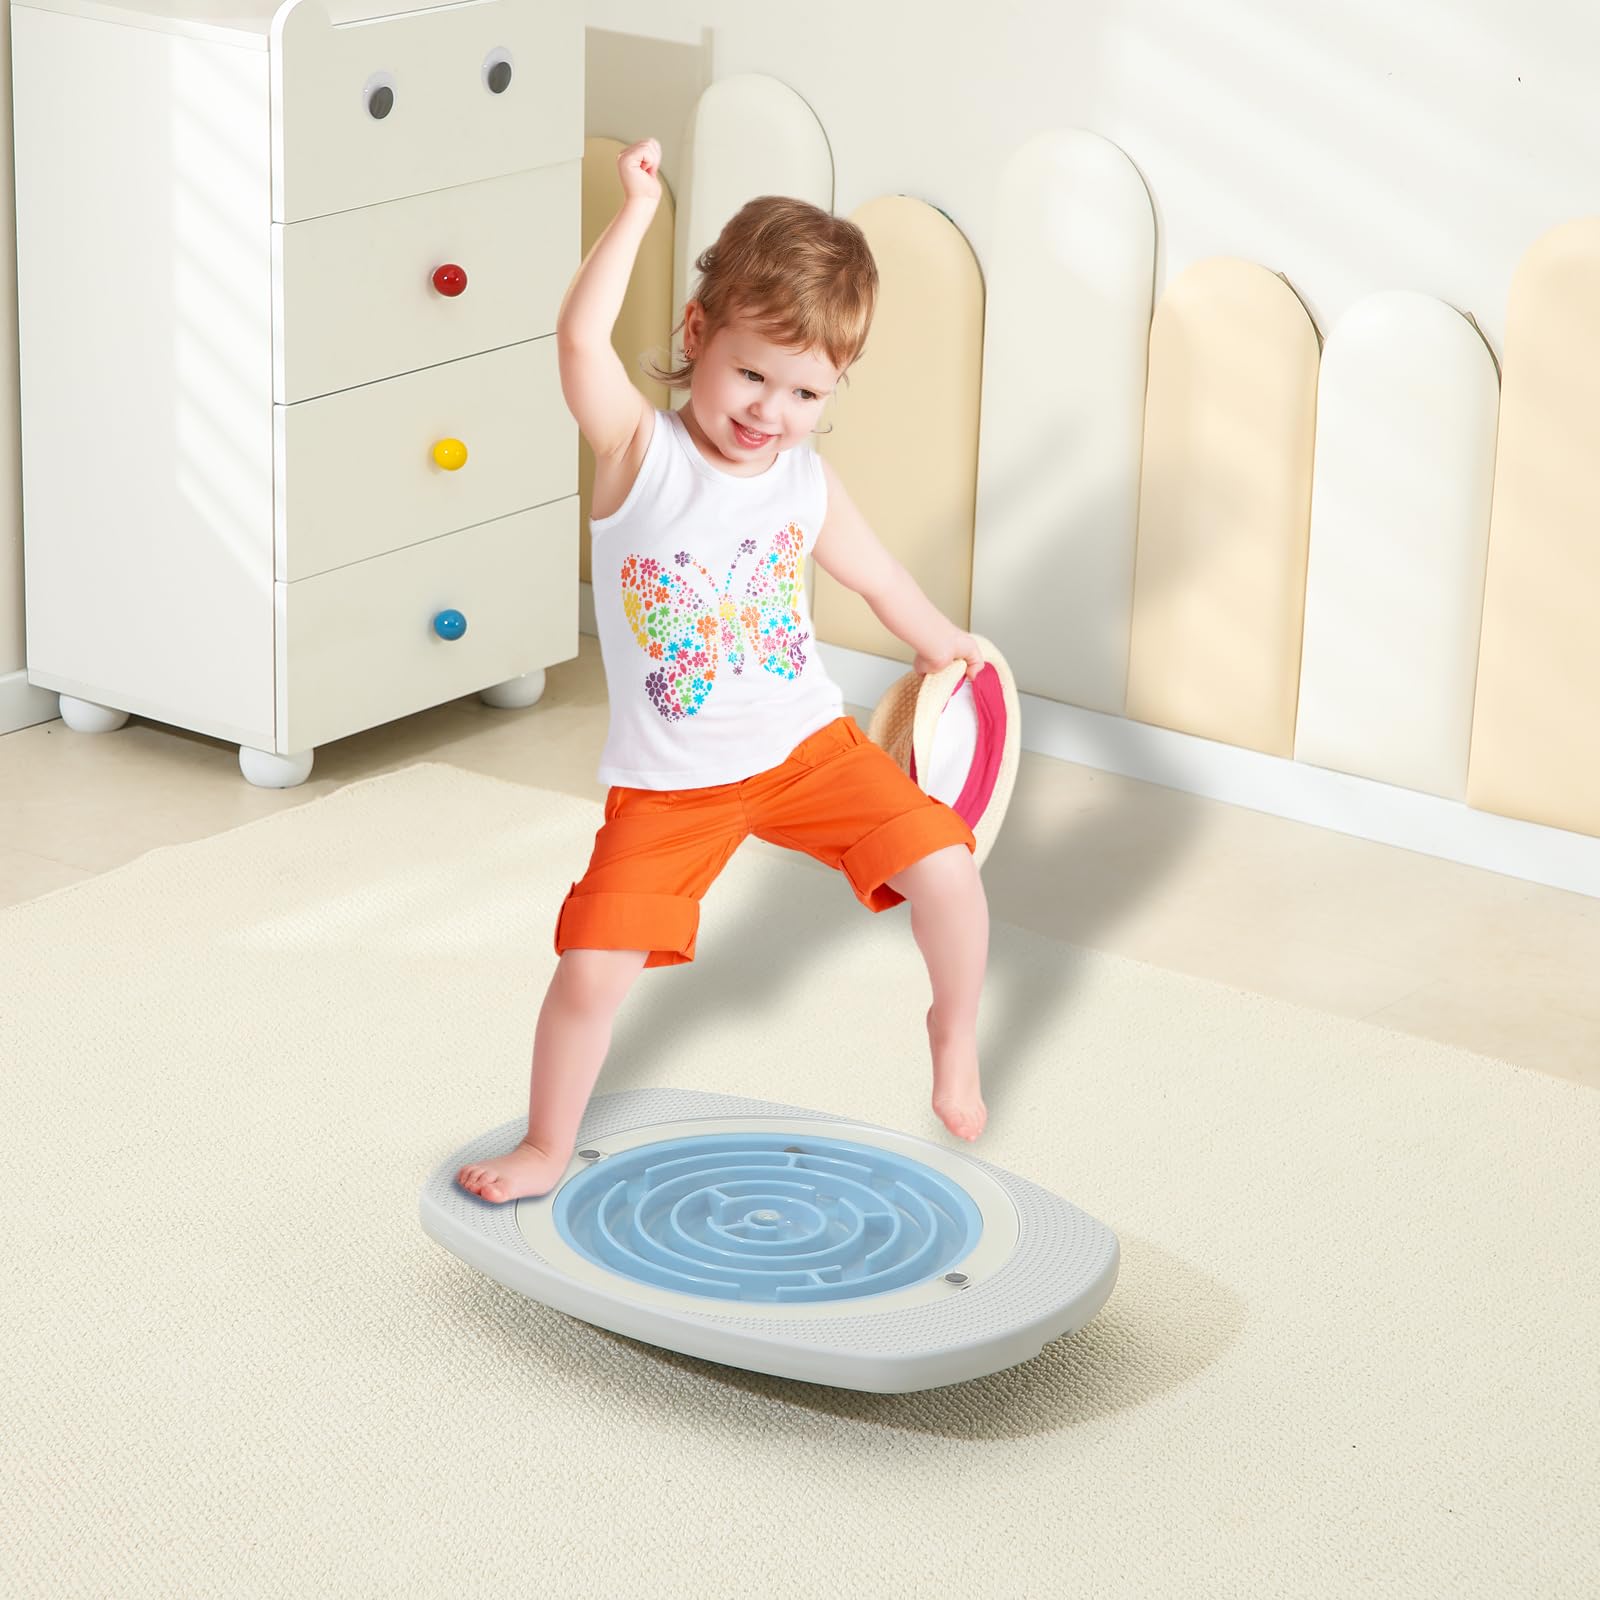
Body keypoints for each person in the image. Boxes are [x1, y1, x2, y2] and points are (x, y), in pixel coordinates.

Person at [457, 137, 990, 1204]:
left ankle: (953, 1033)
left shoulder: (804, 481)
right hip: (672, 786)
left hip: (806, 750)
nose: (767, 412)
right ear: (696, 334)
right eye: (750, 373)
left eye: (804, 392)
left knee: (949, 867)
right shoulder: (637, 454)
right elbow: (577, 337)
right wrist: (636, 210)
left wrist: (947, 645)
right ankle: (546, 1145)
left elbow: (880, 578)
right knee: (591, 972)